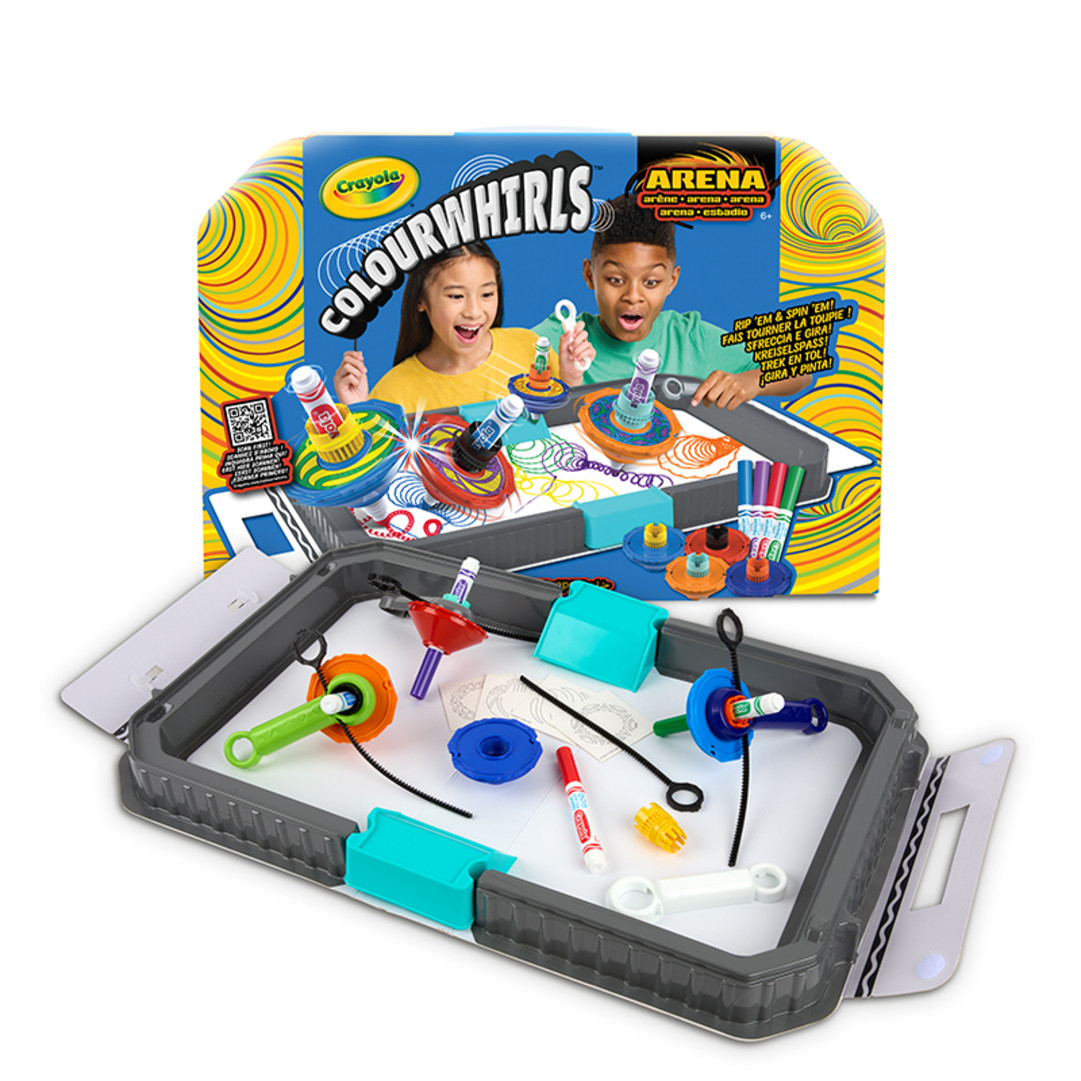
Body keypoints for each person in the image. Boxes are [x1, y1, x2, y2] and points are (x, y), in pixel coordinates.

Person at [531, 194, 811, 409]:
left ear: (672, 281)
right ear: (589, 275)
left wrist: (752, 381)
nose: (633, 296)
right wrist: (565, 380)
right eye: (615, 279)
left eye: (651, 282)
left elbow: (799, 371)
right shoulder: (559, 337)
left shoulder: (690, 338)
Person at [334, 241, 594, 413]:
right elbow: (381, 474)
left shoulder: (530, 347)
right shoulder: (392, 392)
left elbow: (565, 436)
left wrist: (571, 378)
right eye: (456, 296)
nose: (474, 311)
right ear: (421, 300)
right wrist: (359, 412)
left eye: (487, 294)